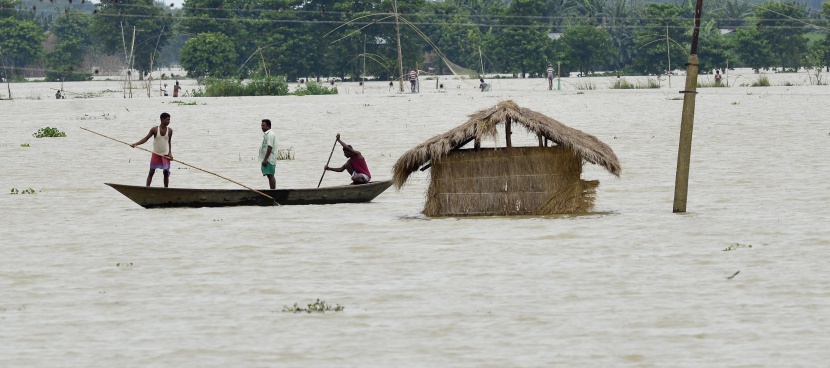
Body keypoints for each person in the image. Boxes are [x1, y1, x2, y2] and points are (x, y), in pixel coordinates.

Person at [131, 113, 173, 187]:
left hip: (165, 154)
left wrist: (170, 153)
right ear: (162, 119)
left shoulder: (170, 131)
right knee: (151, 172)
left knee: (166, 173)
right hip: (156, 153)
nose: (169, 121)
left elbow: (169, 142)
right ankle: (147, 188)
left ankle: (166, 189)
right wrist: (136, 144)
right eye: (167, 119)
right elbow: (146, 138)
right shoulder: (154, 129)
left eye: (169, 119)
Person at [259, 119, 277, 189]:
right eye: (261, 126)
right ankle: (272, 190)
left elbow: (270, 147)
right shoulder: (267, 134)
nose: (262, 127)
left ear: (268, 126)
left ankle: (273, 191)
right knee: (269, 175)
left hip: (269, 159)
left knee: (270, 175)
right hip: (268, 158)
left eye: (263, 126)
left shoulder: (270, 134)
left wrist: (265, 159)